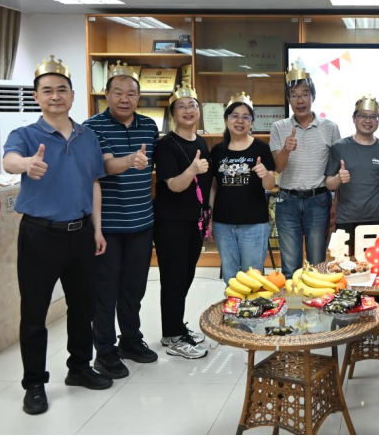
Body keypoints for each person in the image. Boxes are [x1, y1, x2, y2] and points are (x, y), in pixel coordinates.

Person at [3, 56, 112, 415]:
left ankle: (79, 367)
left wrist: (97, 228)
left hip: (80, 233)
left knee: (83, 307)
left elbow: (94, 184)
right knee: (34, 312)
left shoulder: (87, 136)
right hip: (39, 235)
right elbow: (9, 161)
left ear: (72, 95)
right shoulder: (25, 135)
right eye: (47, 90)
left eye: (61, 89)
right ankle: (34, 383)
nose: (55, 96)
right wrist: (26, 164)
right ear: (36, 97)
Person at [82, 63, 160, 380]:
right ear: (107, 94)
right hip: (108, 227)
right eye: (118, 92)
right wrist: (129, 160)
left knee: (133, 288)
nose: (125, 99)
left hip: (142, 222)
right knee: (105, 291)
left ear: (139, 96)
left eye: (131, 93)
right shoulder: (91, 127)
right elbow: (103, 168)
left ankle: (130, 340)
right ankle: (105, 351)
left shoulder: (149, 126)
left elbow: (153, 173)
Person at [153, 82, 212, 360]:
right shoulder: (165, 145)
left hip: (194, 221)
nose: (188, 110)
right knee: (174, 279)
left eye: (192, 105)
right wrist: (192, 170)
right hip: (171, 222)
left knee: (185, 276)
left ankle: (173, 329)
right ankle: (175, 337)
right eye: (181, 106)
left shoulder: (200, 142)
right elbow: (175, 185)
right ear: (173, 113)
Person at [270, 60, 341, 277]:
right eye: (294, 95)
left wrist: (335, 204)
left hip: (318, 201)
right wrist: (286, 150)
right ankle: (292, 301)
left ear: (313, 97)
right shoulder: (279, 127)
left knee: (317, 266)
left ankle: (315, 300)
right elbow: (278, 167)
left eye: (304, 94)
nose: (300, 100)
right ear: (288, 99)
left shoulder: (330, 128)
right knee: (290, 267)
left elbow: (337, 170)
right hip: (287, 201)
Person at [210, 93, 276, 283]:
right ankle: (232, 304)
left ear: (252, 123)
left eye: (246, 117)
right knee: (230, 277)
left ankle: (252, 305)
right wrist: (210, 217)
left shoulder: (261, 148)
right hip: (223, 224)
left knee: (253, 277)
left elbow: (270, 185)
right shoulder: (217, 151)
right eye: (235, 116)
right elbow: (213, 187)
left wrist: (265, 173)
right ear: (226, 120)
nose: (240, 121)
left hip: (254, 223)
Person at [325, 96, 379, 255]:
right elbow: (329, 183)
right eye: (363, 116)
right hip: (347, 218)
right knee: (347, 265)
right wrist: (338, 178)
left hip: (378, 219)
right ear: (354, 118)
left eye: (373, 117)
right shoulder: (339, 147)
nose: (368, 121)